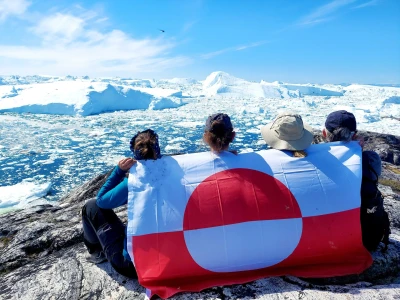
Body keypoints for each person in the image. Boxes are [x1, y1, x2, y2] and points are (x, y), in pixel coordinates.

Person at [81, 129, 162, 277]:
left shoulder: (132, 183)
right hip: (170, 259)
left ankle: (97, 254)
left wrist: (118, 171)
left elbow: (101, 201)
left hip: (133, 266)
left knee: (90, 206)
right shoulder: (175, 173)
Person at [323, 110, 390, 251]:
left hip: (325, 239)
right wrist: (358, 152)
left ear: (324, 134)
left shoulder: (311, 159)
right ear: (354, 135)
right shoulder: (370, 159)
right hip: (364, 238)